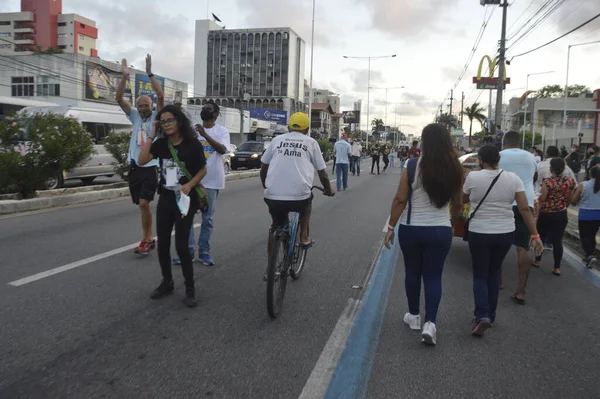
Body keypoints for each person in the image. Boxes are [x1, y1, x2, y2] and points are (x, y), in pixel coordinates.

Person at [384, 124, 464, 346]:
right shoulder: (455, 168)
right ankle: (431, 323)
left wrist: (391, 227)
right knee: (433, 276)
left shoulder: (411, 165)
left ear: (425, 142)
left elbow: (400, 200)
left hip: (412, 228)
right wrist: (450, 225)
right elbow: (458, 204)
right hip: (440, 229)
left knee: (412, 272)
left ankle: (413, 316)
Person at [463, 145, 542, 336]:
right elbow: (524, 209)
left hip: (479, 231)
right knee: (493, 271)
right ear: (498, 160)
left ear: (481, 160)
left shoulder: (473, 177)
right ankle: (491, 314)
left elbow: (463, 200)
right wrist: (535, 235)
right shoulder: (513, 179)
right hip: (504, 233)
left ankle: (482, 315)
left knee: (480, 274)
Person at [138, 105, 207, 307]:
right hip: (167, 198)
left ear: (179, 121)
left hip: (186, 199)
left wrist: (190, 185)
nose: (167, 124)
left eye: (170, 120)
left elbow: (203, 170)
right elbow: (142, 161)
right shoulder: (160, 144)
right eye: (164, 121)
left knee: (182, 245)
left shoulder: (192, 144)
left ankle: (190, 288)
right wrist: (152, 133)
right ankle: (167, 283)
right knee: (163, 244)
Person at [260, 113, 334, 277]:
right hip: (299, 197)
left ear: (288, 127)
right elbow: (322, 174)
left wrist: (266, 186)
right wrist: (328, 190)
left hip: (272, 195)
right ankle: (303, 237)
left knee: (275, 227)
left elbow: (263, 168)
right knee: (306, 205)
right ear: (307, 129)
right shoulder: (311, 143)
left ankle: (269, 269)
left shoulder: (276, 141)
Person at [116, 55, 165, 255]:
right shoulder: (135, 116)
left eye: (146, 105)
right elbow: (119, 99)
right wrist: (124, 77)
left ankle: (147, 239)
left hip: (151, 167)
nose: (143, 108)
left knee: (145, 203)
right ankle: (149, 237)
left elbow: (161, 96)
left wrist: (149, 73)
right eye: (141, 105)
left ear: (151, 107)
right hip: (135, 166)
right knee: (141, 205)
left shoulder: (157, 117)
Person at [175, 101, 230, 266]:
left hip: (212, 182)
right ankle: (189, 252)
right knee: (187, 217)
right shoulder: (192, 130)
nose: (205, 111)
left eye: (209, 109)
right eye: (203, 109)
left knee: (207, 219)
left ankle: (204, 252)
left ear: (216, 114)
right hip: (192, 181)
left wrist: (205, 135)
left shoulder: (222, 131)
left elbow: (222, 149)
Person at [498, 131, 538, 305]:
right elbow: (534, 178)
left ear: (504, 142)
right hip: (525, 203)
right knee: (523, 248)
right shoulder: (531, 157)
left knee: (498, 244)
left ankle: (499, 282)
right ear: (519, 143)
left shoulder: (498, 156)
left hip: (502, 202)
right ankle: (521, 290)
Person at [531, 158, 576, 276]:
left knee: (541, 236)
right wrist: (563, 206)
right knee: (557, 240)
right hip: (561, 214)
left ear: (551, 169)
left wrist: (537, 211)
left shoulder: (547, 182)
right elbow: (570, 198)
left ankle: (537, 260)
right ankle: (557, 268)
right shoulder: (570, 181)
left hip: (546, 213)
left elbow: (542, 198)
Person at [573, 165, 600, 268]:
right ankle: (588, 256)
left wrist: (575, 201)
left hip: (585, 214)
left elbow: (574, 200)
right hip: (598, 215)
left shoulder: (583, 185)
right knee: (592, 235)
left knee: (584, 236)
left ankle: (590, 255)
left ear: (590, 174)